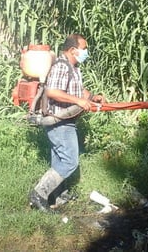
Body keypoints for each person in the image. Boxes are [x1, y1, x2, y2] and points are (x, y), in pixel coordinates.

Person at [28, 34, 105, 212]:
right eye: (84, 49)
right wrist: (78, 102)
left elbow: (77, 89)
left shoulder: (73, 67)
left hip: (65, 121)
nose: (86, 52)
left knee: (60, 159)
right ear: (73, 50)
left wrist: (92, 97)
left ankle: (58, 195)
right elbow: (53, 91)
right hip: (59, 121)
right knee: (70, 161)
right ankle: (39, 194)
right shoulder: (61, 66)